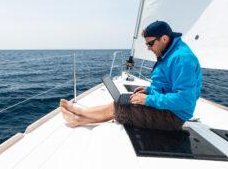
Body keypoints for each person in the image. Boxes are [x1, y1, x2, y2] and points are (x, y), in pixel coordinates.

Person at [60, 21, 202, 131]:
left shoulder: (181, 59)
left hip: (173, 117)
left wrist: (148, 99)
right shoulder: (170, 53)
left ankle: (78, 116)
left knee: (121, 108)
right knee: (124, 101)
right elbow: (168, 87)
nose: (148, 48)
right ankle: (79, 117)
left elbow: (185, 100)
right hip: (168, 108)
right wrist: (149, 91)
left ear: (164, 38)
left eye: (151, 43)